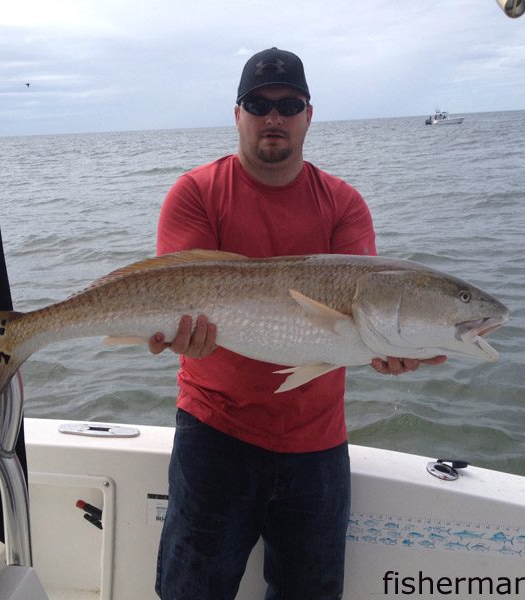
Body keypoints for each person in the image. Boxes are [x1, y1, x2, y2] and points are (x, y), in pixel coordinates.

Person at [151, 47, 445, 599]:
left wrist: (392, 347)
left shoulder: (343, 204)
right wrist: (182, 336)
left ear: (309, 114)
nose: (273, 117)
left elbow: (369, 309)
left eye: (289, 104)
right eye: (258, 104)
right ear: (237, 114)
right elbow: (175, 294)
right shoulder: (195, 194)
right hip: (215, 435)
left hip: (317, 444)